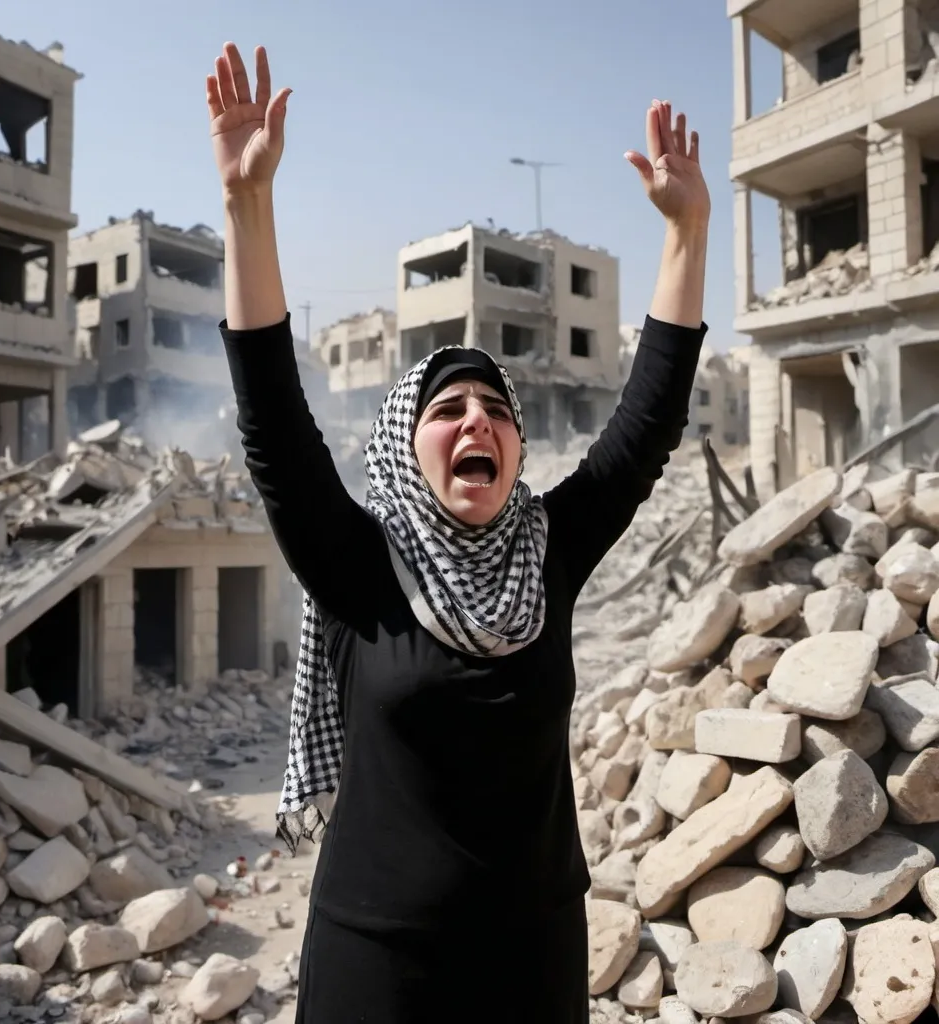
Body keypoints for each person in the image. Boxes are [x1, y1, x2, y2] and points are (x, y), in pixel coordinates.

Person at [208, 41, 710, 1024]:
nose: (477, 419)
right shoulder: (362, 567)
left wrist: (686, 234)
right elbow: (272, 424)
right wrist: (244, 206)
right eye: (449, 408)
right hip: (377, 964)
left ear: (517, 447)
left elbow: (645, 424)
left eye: (496, 407)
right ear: (407, 448)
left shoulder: (548, 555)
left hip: (535, 956)